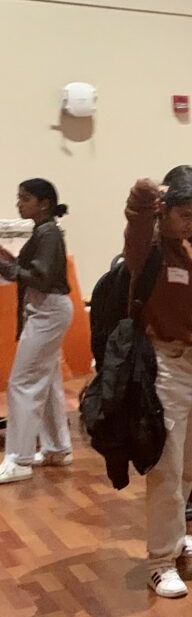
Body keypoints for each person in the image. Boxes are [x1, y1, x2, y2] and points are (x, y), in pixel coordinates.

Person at [123, 166, 192, 597]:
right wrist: (146, 195)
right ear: (166, 211)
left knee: (188, 465)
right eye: (185, 216)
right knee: (165, 466)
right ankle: (160, 561)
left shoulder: (188, 249)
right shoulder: (151, 246)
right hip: (166, 365)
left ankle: (176, 538)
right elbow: (137, 215)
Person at [0, 180, 73, 484]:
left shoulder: (48, 232)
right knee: (47, 379)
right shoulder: (46, 231)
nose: (19, 204)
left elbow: (41, 278)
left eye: (25, 199)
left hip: (48, 309)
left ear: (44, 204)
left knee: (23, 381)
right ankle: (57, 447)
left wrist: (6, 267)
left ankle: (19, 457)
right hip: (49, 308)